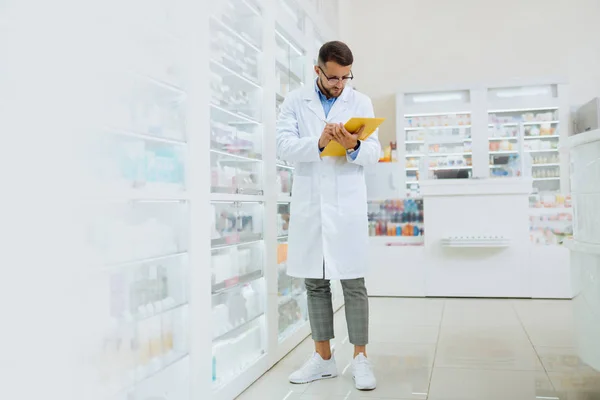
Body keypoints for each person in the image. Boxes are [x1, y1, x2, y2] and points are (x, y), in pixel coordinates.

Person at [276, 41, 380, 391]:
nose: (340, 84)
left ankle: (361, 358)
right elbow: (283, 146)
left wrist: (354, 145)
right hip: (311, 204)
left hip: (346, 205)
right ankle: (323, 358)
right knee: (315, 283)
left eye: (345, 77)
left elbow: (375, 152)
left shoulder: (360, 102)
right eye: (333, 77)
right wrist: (319, 143)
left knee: (353, 282)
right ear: (317, 70)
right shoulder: (295, 101)